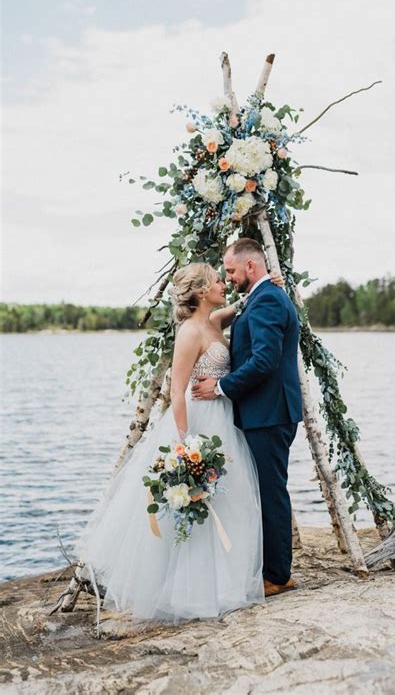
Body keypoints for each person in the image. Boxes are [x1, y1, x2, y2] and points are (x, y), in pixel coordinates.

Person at [74, 262, 283, 624]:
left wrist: (269, 283)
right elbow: (177, 389)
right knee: (197, 505)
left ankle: (224, 585)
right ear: (202, 291)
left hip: (224, 420)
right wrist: (185, 442)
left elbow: (247, 304)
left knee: (230, 501)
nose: (223, 284)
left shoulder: (214, 321)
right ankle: (189, 590)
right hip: (199, 423)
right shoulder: (189, 331)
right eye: (218, 281)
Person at [192, 238, 303, 597]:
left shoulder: (268, 298)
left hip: (269, 414)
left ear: (251, 267)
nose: (229, 276)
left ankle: (278, 575)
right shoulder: (260, 296)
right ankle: (268, 568)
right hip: (262, 412)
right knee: (263, 491)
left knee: (270, 493)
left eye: (231, 270)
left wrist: (220, 388)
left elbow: (265, 360)